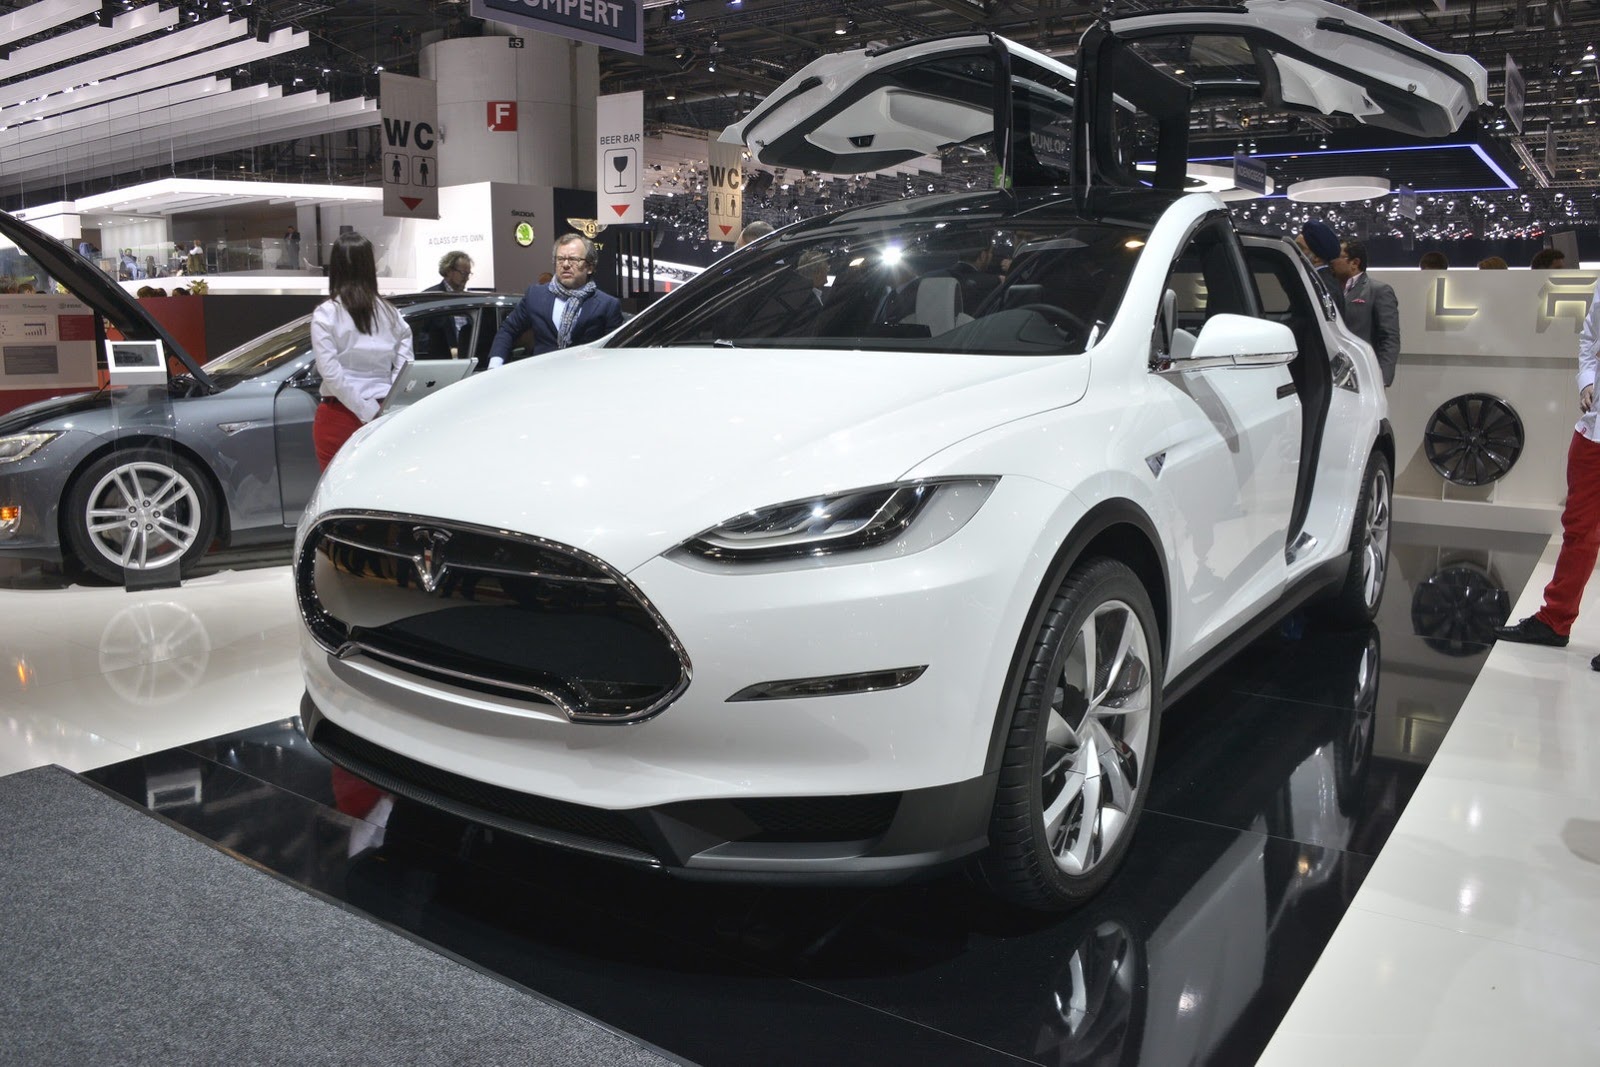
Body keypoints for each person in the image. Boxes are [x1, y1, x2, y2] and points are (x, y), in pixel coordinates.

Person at [1495, 277, 1600, 664]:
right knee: (1578, 528)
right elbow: (1591, 338)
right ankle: (1554, 621)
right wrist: (1587, 381)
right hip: (1594, 429)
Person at [311, 232, 414, 468]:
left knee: (336, 488)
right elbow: (405, 369)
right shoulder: (392, 314)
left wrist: (364, 410)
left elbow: (331, 373)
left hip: (339, 415)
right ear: (370, 266)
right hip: (385, 415)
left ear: (335, 267)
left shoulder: (326, 313)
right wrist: (384, 408)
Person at [485, 234, 622, 368]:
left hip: (584, 376)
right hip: (543, 375)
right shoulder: (535, 295)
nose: (566, 264)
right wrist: (495, 365)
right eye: (560, 259)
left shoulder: (607, 305)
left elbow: (615, 350)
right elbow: (508, 330)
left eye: (573, 259)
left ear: (590, 267)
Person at [1330, 238, 1399, 387]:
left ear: (1354, 263)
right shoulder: (1327, 290)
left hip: (1363, 374)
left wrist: (1382, 379)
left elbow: (1389, 338)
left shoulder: (1379, 291)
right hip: (1330, 374)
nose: (1331, 261)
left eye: (1336, 257)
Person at [1296, 220, 1343, 313]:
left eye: (1300, 248)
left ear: (1316, 257)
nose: (1294, 251)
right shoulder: (1317, 281)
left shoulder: (1323, 287)